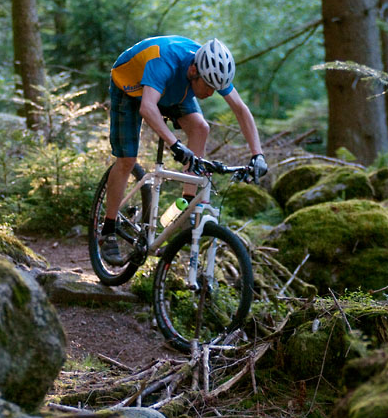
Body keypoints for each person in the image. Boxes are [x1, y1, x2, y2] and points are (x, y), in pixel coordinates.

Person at [100, 35, 268, 265]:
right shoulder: (165, 60)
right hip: (130, 87)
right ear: (193, 70)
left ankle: (186, 209)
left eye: (215, 88)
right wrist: (175, 144)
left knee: (201, 128)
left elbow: (240, 109)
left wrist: (258, 155)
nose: (211, 93)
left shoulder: (210, 67)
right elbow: (147, 107)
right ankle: (108, 228)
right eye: (208, 86)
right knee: (127, 160)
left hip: (172, 88)